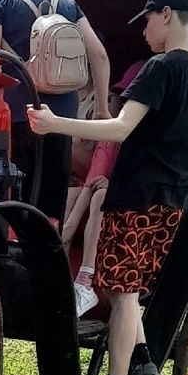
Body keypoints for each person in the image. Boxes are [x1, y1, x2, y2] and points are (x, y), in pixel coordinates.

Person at [29, 0, 188, 375]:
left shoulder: (159, 69)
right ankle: (143, 366)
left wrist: (54, 122)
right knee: (126, 286)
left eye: (149, 20)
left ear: (167, 14)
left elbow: (119, 128)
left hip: (135, 194)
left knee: (122, 290)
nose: (145, 31)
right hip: (172, 198)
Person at [0, 0, 110, 225]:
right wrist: (102, 109)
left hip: (19, 113)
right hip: (62, 118)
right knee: (51, 201)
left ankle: (16, 258)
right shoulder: (68, 3)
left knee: (16, 196)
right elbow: (99, 54)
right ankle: (48, 259)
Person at [62, 61, 144, 317]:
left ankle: (85, 280)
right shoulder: (113, 133)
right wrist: (70, 224)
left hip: (138, 194)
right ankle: (58, 270)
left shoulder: (149, 135)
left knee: (101, 197)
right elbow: (97, 169)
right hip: (97, 183)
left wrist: (114, 185)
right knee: (74, 193)